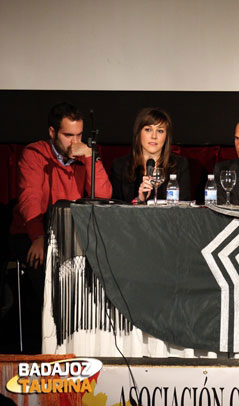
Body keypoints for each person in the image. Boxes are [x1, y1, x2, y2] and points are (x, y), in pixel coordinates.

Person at [9, 102, 112, 353]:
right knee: (47, 279)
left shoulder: (84, 156)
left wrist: (90, 159)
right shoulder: (35, 155)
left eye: (78, 135)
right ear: (53, 132)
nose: (74, 142)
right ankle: (46, 348)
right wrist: (38, 237)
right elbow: (29, 199)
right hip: (35, 234)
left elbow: (104, 195)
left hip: (74, 237)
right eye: (68, 135)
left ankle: (85, 345)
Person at [110, 107, 191, 203]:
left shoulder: (179, 165)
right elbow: (115, 209)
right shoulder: (120, 165)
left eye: (160, 131)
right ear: (139, 133)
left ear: (166, 137)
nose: (154, 136)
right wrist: (139, 200)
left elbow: (185, 207)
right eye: (148, 130)